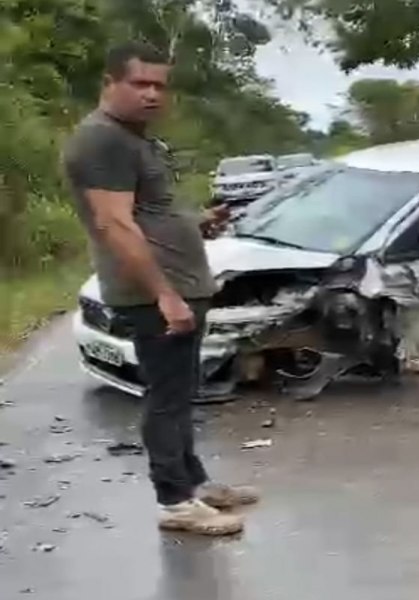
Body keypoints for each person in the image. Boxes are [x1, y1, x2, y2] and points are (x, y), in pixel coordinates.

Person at [62, 42, 258, 536]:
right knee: (166, 398)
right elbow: (114, 224)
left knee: (180, 391)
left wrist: (195, 224)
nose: (152, 94)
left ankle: (194, 483)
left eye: (159, 85)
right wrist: (165, 294)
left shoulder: (133, 139)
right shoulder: (101, 141)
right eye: (140, 83)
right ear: (109, 84)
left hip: (178, 286)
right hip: (155, 294)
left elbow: (149, 213)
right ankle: (174, 502)